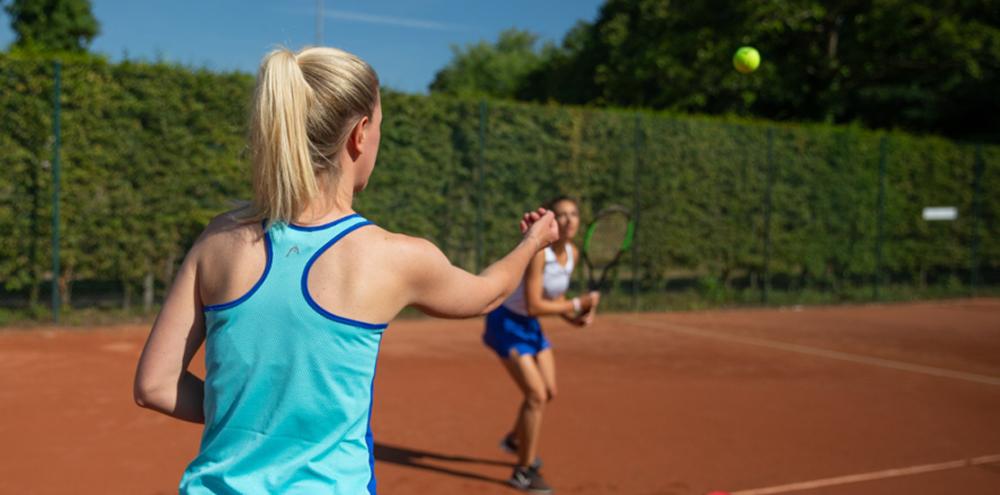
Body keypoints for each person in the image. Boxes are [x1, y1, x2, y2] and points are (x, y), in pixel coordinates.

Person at [132, 46, 559, 495]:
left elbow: (155, 386)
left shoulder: (218, 241)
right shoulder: (394, 256)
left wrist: (251, 412)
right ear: (360, 134)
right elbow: (488, 294)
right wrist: (533, 243)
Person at [483, 196, 600, 493]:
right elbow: (534, 304)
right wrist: (577, 303)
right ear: (550, 221)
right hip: (507, 323)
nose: (568, 220)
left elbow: (554, 301)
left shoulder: (571, 253)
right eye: (561, 215)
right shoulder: (540, 254)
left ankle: (514, 439)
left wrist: (574, 317)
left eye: (573, 214)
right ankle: (522, 471)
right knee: (535, 395)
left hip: (530, 327)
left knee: (549, 391)